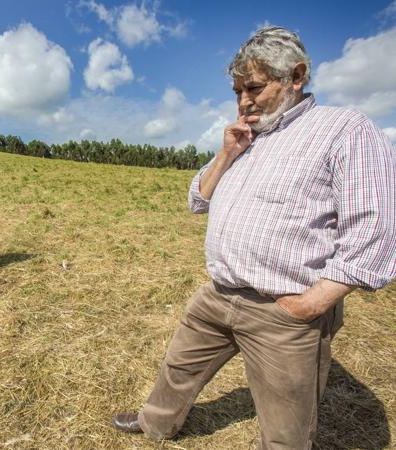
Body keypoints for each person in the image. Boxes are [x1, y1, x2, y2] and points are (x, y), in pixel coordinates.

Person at [112, 26, 395, 448]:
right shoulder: (248, 136)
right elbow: (198, 199)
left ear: (296, 77)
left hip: (282, 312)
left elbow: (376, 228)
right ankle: (156, 423)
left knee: (286, 428)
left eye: (255, 87)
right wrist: (227, 152)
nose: (244, 100)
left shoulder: (344, 130)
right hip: (218, 295)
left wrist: (310, 305)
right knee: (179, 368)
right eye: (237, 90)